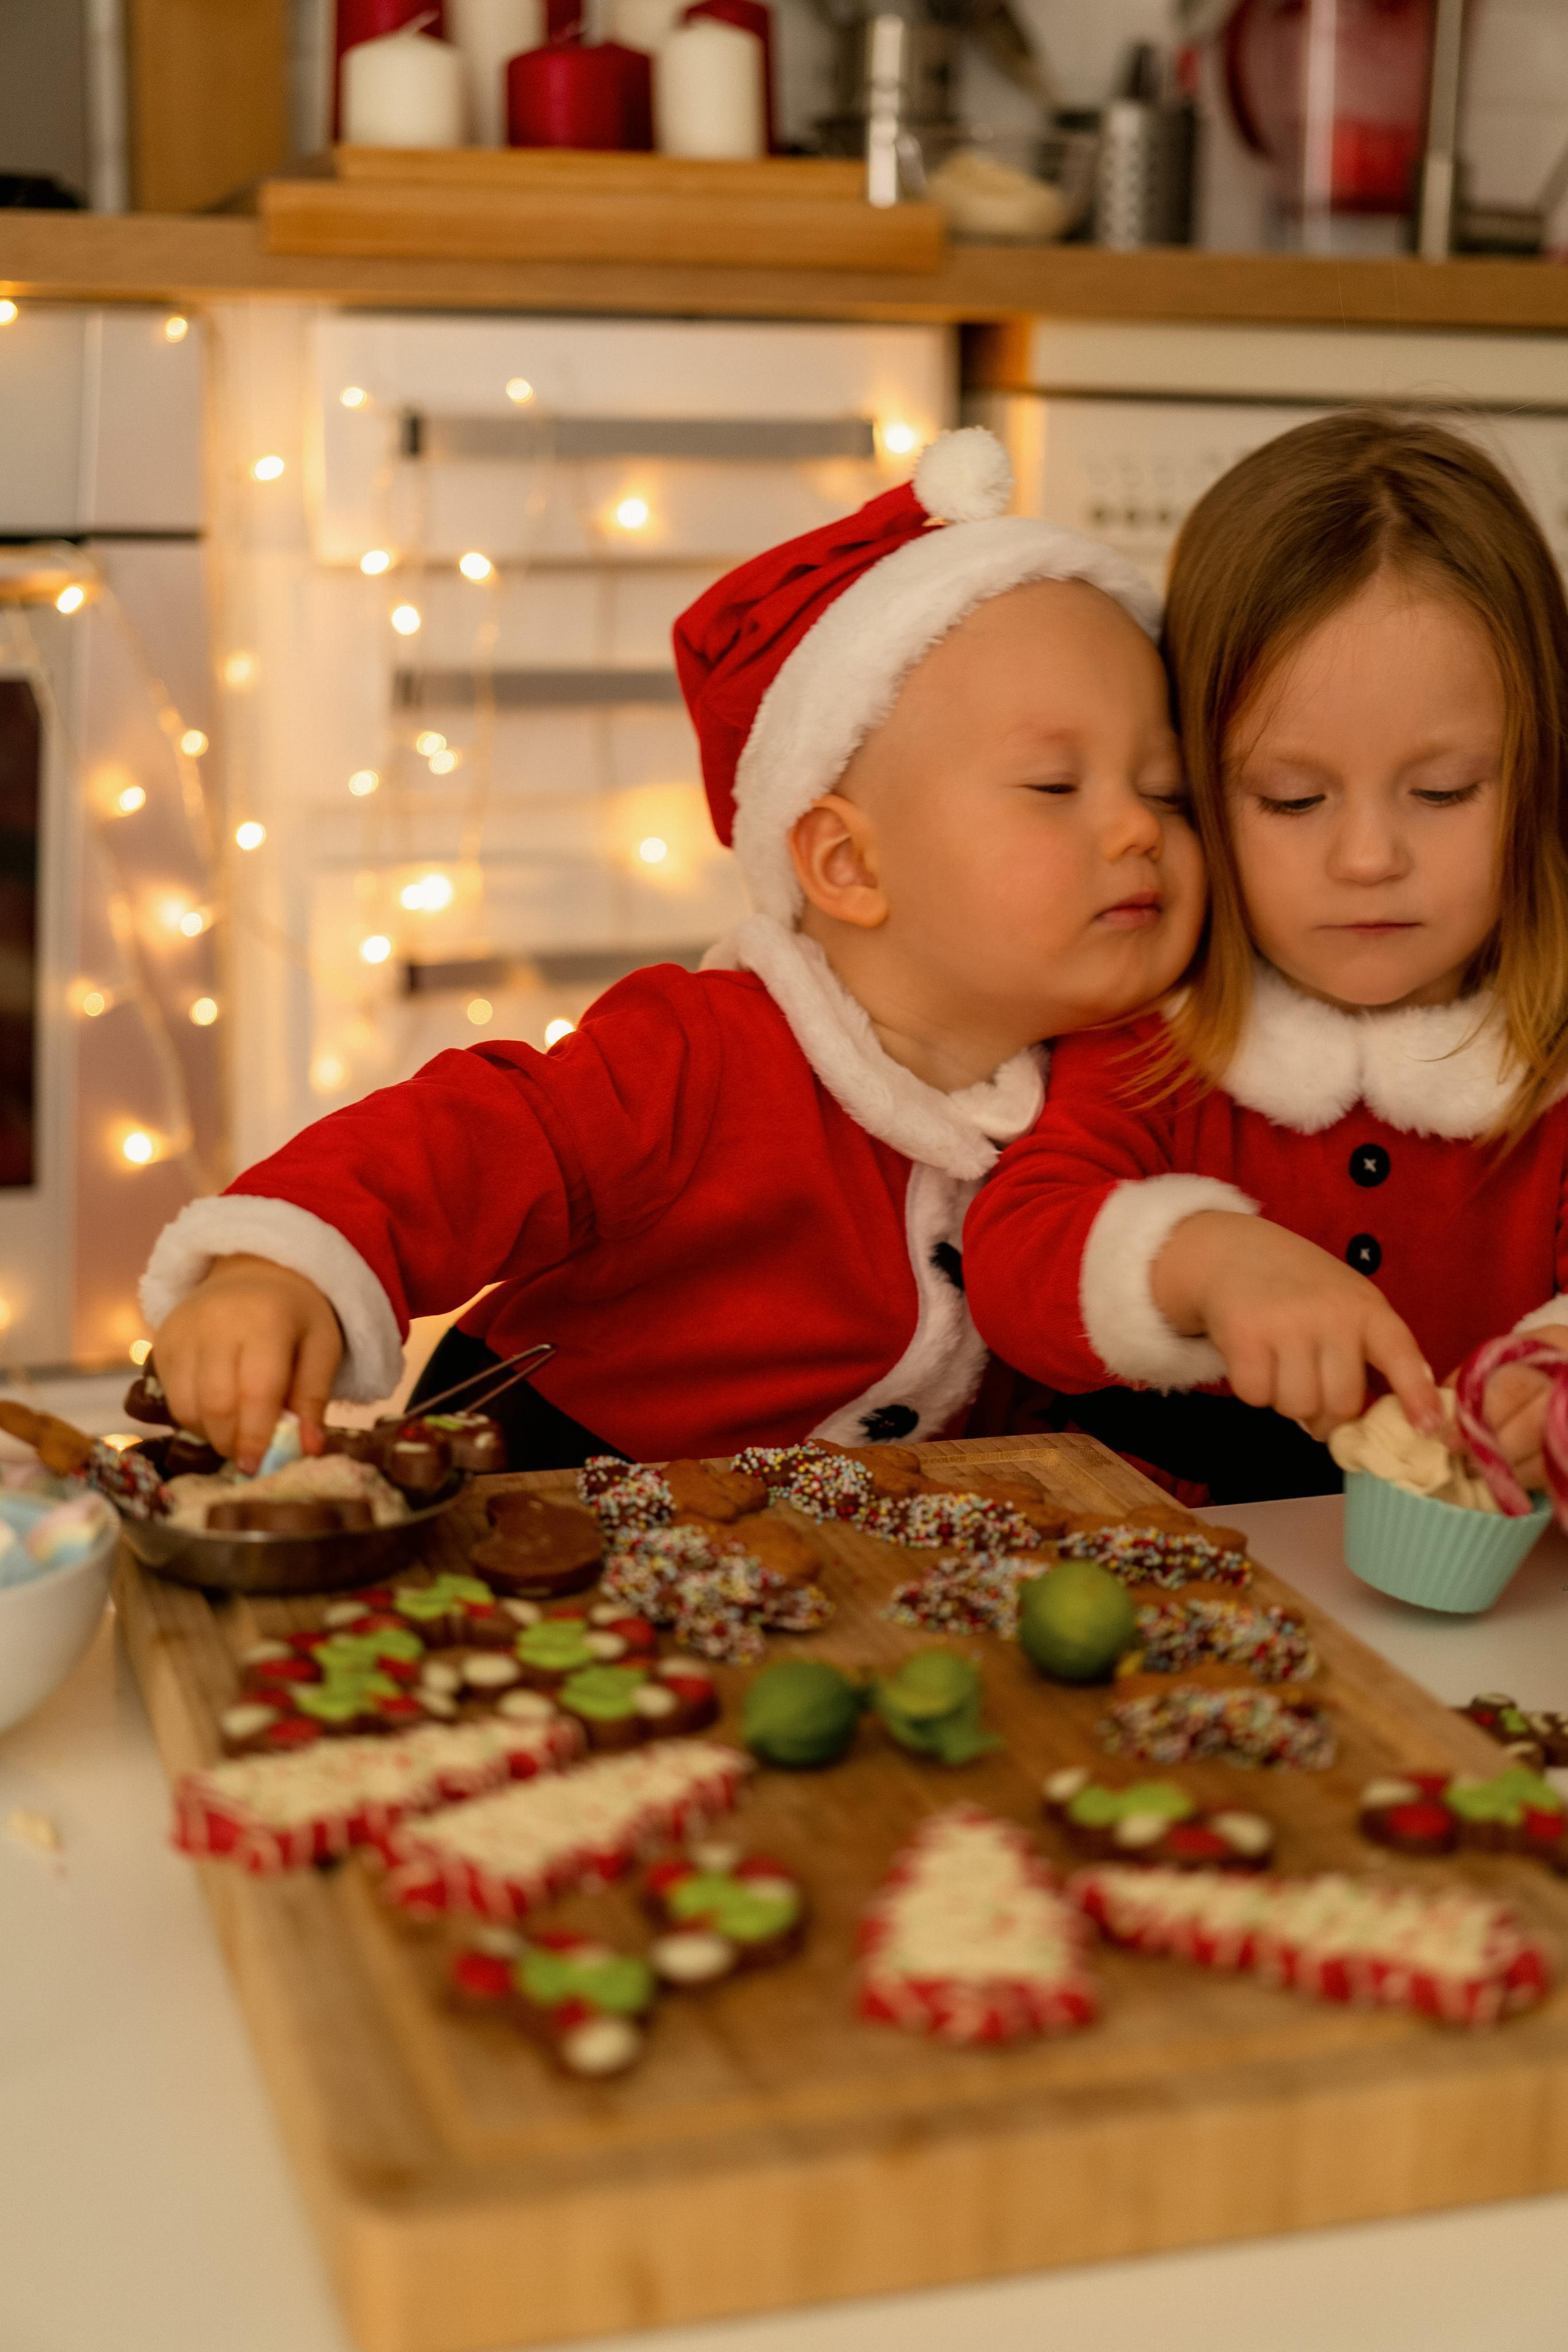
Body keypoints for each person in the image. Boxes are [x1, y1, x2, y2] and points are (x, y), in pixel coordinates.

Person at [143, 429, 1205, 1473]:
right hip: (552, 1521)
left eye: (1169, 792)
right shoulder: (697, 1059)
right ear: (848, 865)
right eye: (1056, 788)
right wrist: (276, 1267)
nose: (1139, 831)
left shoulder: (1131, 1098)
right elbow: (461, 1143)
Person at [967, 410, 1568, 1506]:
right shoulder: (1160, 1026)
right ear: (1199, 784)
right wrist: (1203, 1259)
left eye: (1443, 792)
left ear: (1539, 778)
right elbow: (1012, 1258)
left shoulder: (1551, 1058)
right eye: (1293, 798)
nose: (1371, 857)